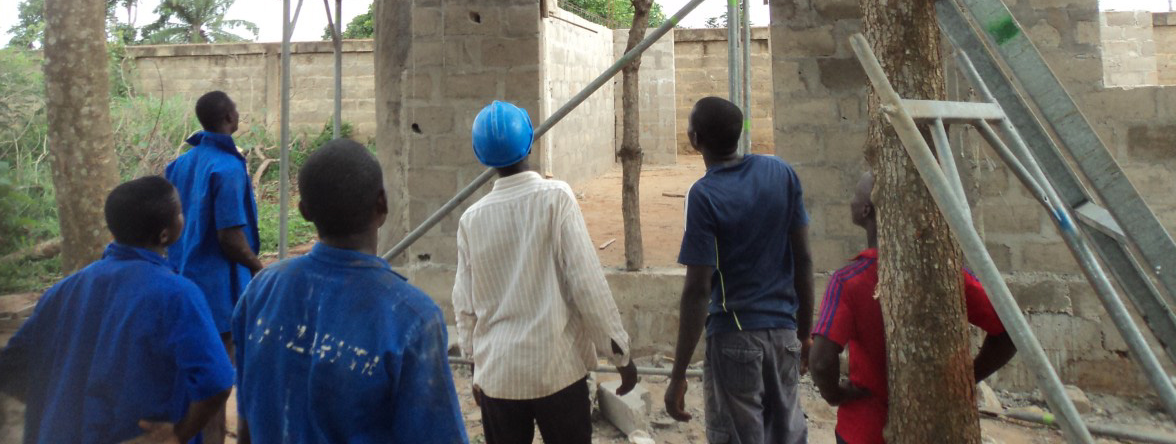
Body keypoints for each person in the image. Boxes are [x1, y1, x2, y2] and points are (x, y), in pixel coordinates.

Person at [232, 139, 467, 444]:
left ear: (304, 211)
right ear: (382, 203)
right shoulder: (413, 319)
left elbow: (246, 423)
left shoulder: (261, 292)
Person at [0, 176, 234, 444]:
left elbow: (9, 369)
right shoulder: (178, 295)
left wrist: (59, 412)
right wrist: (179, 433)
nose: (182, 216)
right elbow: (216, 382)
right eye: (179, 211)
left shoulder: (62, 291)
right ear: (165, 234)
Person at [453, 100, 637, 444]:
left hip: (500, 377)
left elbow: (464, 304)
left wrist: (476, 364)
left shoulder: (471, 220)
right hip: (558, 371)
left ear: (481, 156)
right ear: (529, 141)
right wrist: (619, 354)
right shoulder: (556, 198)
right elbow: (587, 285)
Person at [810, 172, 1016, 444]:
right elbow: (1011, 330)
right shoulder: (948, 273)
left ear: (865, 211)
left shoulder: (849, 281)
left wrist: (836, 395)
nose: (849, 199)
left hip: (866, 430)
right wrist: (964, 381)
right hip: (936, 430)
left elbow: (822, 361)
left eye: (854, 194)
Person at [666, 96, 813, 444]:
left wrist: (678, 375)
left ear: (695, 139)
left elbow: (698, 289)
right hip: (784, 336)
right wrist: (805, 333)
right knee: (787, 434)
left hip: (734, 337)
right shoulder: (780, 172)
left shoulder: (705, 195)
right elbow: (804, 258)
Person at [165, 90, 261, 444]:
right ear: (228, 119)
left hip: (180, 281)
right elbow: (230, 238)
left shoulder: (179, 165)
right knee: (218, 381)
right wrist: (259, 267)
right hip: (217, 290)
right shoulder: (228, 167)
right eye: (236, 111)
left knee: (188, 374)